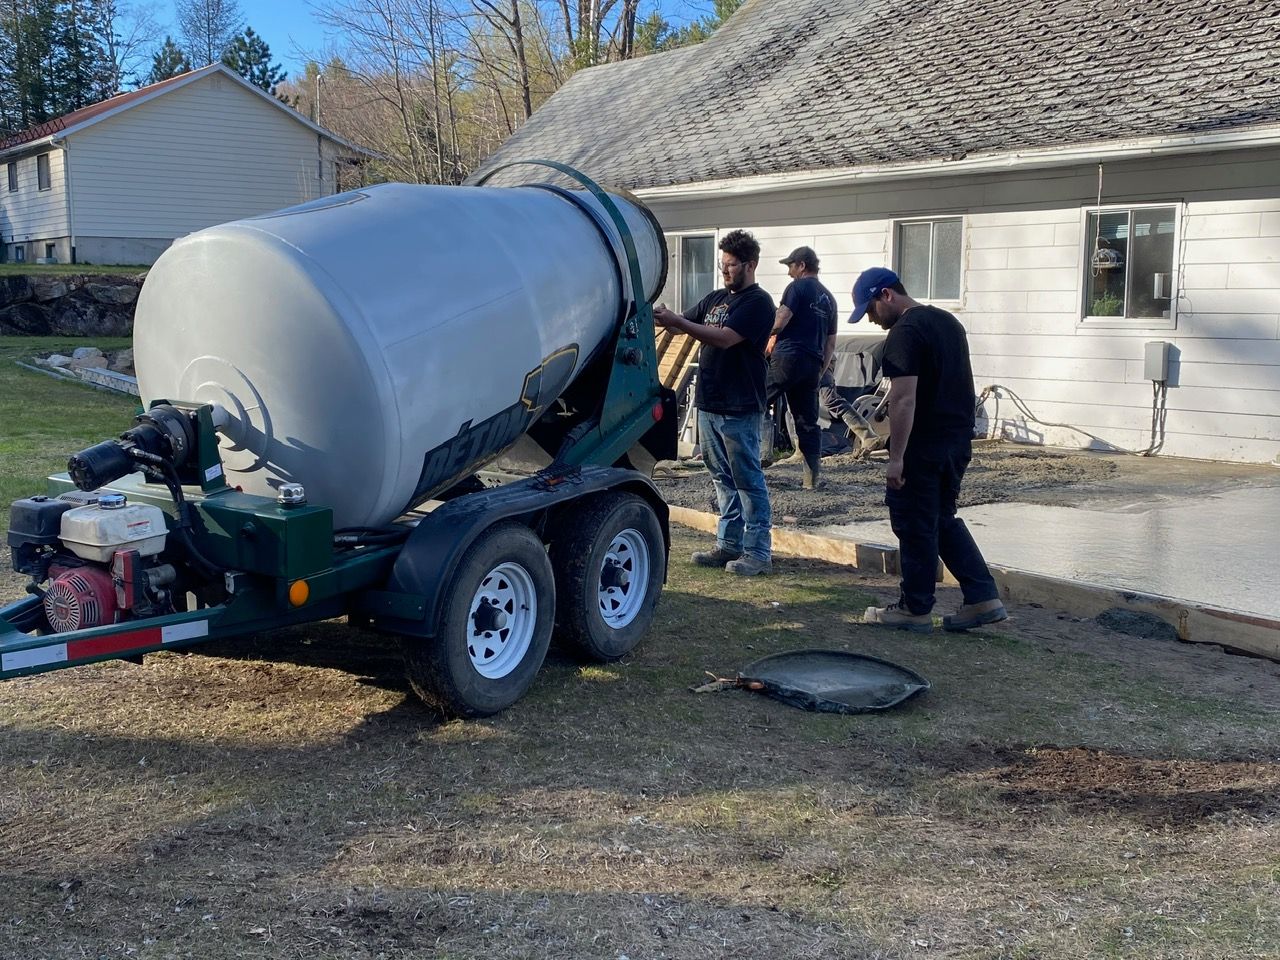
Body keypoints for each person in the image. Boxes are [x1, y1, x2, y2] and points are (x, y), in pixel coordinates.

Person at [848, 266, 1007, 632]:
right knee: (941, 519)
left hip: (924, 444)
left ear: (886, 294)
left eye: (870, 310)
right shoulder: (948, 323)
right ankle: (983, 597)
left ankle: (914, 609)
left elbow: (904, 399)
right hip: (957, 440)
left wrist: (897, 458)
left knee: (914, 522)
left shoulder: (905, 332)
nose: (871, 320)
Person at [653, 230, 775, 576]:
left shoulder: (758, 303)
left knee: (747, 479)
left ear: (750, 265)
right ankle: (728, 544)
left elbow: (725, 338)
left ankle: (758, 552)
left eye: (732, 265)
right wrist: (658, 315)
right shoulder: (716, 299)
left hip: (739, 406)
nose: (724, 270)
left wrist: (680, 322)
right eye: (722, 264)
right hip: (710, 402)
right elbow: (680, 325)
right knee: (722, 478)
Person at [765, 246, 835, 489]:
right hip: (812, 364)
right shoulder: (830, 299)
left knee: (755, 402)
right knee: (807, 421)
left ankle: (754, 460)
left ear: (802, 265)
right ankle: (811, 479)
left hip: (788, 358)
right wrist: (820, 371)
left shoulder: (797, 288)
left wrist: (755, 334)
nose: (789, 272)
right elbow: (830, 343)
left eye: (791, 266)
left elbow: (780, 321)